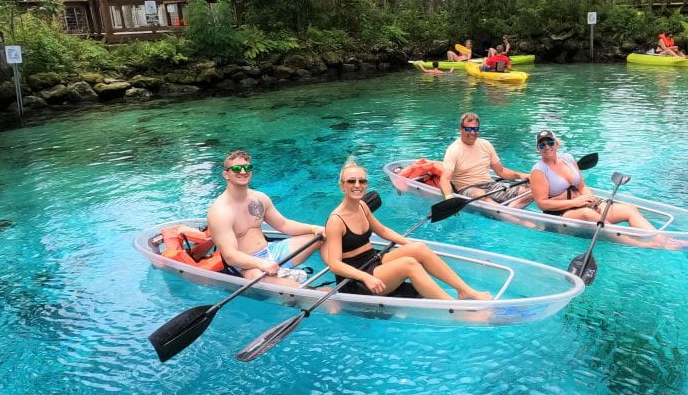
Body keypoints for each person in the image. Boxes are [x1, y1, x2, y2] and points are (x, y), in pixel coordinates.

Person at [323, 158, 491, 300]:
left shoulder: (362, 207)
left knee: (419, 249)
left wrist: (408, 245)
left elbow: (383, 231)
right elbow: (334, 264)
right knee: (409, 264)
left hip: (372, 260)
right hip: (355, 280)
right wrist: (365, 277)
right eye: (351, 181)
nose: (357, 185)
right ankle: (453, 306)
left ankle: (464, 290)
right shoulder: (336, 220)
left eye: (362, 181)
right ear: (342, 186)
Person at [528, 130, 688, 250]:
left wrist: (588, 198)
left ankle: (663, 239)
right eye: (542, 145)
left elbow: (583, 185)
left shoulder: (568, 159)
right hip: (560, 216)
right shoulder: (539, 170)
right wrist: (575, 202)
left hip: (583, 204)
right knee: (589, 215)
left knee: (629, 210)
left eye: (550, 143)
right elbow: (542, 204)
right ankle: (645, 244)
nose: (547, 147)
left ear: (557, 144)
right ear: (538, 149)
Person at [207, 150, 324, 284]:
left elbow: (284, 224)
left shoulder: (260, 198)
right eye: (237, 169)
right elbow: (230, 256)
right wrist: (260, 263)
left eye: (247, 168)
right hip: (247, 265)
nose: (243, 172)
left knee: (322, 237)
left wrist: (314, 228)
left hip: (271, 251)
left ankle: (345, 277)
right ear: (226, 174)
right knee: (266, 279)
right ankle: (309, 292)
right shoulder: (220, 212)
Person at [439, 112, 532, 208]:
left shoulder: (486, 144)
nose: (472, 132)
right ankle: (505, 212)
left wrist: (520, 175)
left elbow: (501, 171)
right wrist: (449, 198)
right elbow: (444, 180)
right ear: (460, 129)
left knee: (531, 191)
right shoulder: (453, 150)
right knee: (479, 193)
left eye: (476, 129)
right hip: (468, 189)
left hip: (490, 185)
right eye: (468, 129)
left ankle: (508, 211)